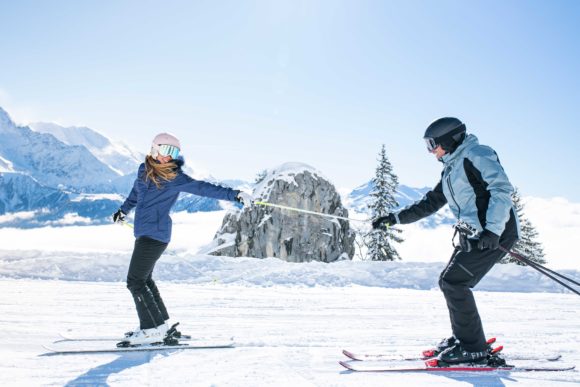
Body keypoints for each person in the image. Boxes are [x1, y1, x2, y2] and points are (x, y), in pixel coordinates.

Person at [372, 117, 519, 364]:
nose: (431, 151)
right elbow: (430, 202)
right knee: (449, 281)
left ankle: (473, 348)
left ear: (449, 139)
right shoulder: (452, 168)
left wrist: (492, 231)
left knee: (454, 282)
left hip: (494, 232)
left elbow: (501, 190)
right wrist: (394, 219)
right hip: (475, 233)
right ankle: (465, 338)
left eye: (432, 144)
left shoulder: (476, 154)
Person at [112, 132, 253, 345]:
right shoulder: (144, 170)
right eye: (167, 150)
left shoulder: (174, 177)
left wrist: (235, 194)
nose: (170, 156)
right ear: (154, 148)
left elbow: (203, 188)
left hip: (156, 234)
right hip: (143, 232)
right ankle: (160, 326)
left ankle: (150, 330)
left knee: (135, 281)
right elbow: (135, 194)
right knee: (145, 280)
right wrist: (123, 211)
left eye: (174, 152)